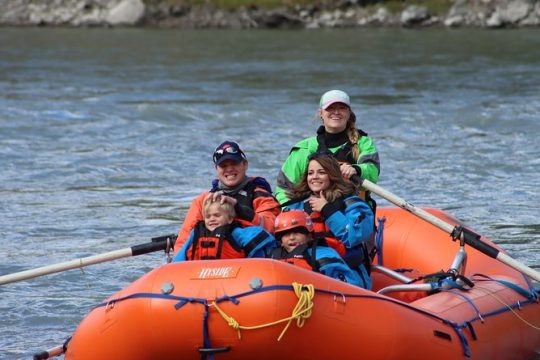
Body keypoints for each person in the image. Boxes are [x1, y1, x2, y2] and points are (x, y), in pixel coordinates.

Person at [282, 153, 374, 289]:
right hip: (305, 272)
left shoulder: (353, 205)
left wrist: (327, 209)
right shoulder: (295, 207)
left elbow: (354, 236)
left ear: (332, 175)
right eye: (310, 173)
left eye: (321, 172)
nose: (314, 177)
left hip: (346, 276)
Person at [275, 89, 380, 205]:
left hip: (354, 214)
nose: (336, 112)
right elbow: (283, 189)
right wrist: (291, 211)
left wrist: (357, 169)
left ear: (349, 113)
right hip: (312, 214)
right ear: (321, 113)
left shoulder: (363, 143)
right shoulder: (304, 148)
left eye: (341, 108)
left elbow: (373, 172)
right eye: (330, 108)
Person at [174, 140, 280, 254]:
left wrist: (239, 209)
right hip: (211, 263)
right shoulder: (203, 200)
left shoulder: (261, 196)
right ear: (216, 169)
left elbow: (273, 228)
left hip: (249, 262)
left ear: (245, 164)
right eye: (223, 165)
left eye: (234, 163)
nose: (229, 169)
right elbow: (184, 240)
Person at [269, 210, 363, 287]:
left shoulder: (323, 254)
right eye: (286, 235)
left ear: (310, 236)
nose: (292, 237)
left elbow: (349, 285)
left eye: (297, 232)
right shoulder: (274, 256)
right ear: (280, 241)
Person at [173, 194, 276, 261]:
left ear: (230, 219)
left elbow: (262, 242)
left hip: (232, 274)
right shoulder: (196, 233)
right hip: (200, 274)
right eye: (208, 216)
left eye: (217, 215)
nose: (212, 219)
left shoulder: (235, 232)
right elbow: (180, 256)